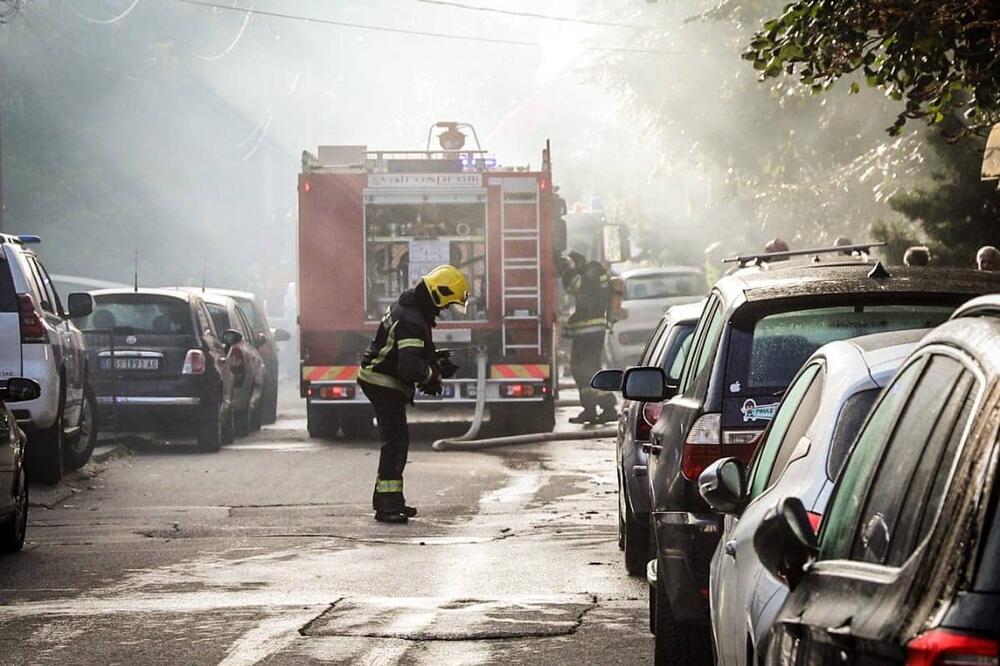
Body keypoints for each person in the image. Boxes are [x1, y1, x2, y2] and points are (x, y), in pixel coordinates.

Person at [358, 265, 468, 524]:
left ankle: (389, 500)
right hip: (382, 381)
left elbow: (408, 350)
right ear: (439, 294)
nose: (445, 309)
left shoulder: (412, 308)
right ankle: (388, 506)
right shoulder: (412, 317)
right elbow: (408, 366)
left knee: (396, 441)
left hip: (379, 378)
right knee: (396, 443)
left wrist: (432, 360)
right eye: (446, 304)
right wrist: (431, 376)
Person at [561, 252, 617, 425]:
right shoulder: (594, 273)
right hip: (590, 331)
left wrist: (568, 269)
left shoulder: (591, 273)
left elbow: (575, 286)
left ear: (579, 262)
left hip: (589, 332)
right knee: (584, 370)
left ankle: (607, 408)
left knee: (588, 370)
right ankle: (592, 409)